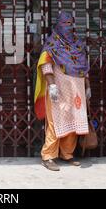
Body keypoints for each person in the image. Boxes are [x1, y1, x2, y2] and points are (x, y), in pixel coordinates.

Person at [34, 11, 91, 171]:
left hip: (77, 91)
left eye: (70, 23)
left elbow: (84, 67)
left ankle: (67, 154)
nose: (68, 26)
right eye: (65, 23)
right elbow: (45, 64)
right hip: (57, 90)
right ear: (58, 25)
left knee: (73, 121)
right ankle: (48, 156)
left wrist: (87, 87)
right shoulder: (52, 44)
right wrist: (51, 85)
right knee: (55, 122)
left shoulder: (78, 44)